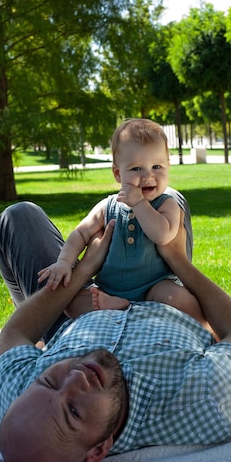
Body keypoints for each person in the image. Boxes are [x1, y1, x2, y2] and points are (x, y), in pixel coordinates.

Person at [0, 199, 231, 462]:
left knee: (18, 217)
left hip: (81, 310)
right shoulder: (200, 399)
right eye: (74, 410)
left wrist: (84, 268)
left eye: (50, 381)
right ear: (99, 450)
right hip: (166, 302)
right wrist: (179, 261)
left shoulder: (23, 400)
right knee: (164, 198)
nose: (76, 377)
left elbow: (14, 335)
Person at [38, 119, 208, 330]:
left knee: (178, 298)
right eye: (137, 168)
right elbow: (81, 233)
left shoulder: (167, 204)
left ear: (168, 166)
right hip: (109, 290)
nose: (148, 176)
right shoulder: (108, 205)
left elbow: (162, 235)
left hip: (154, 287)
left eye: (157, 166)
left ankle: (207, 331)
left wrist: (139, 204)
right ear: (118, 173)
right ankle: (116, 307)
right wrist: (64, 261)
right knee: (71, 303)